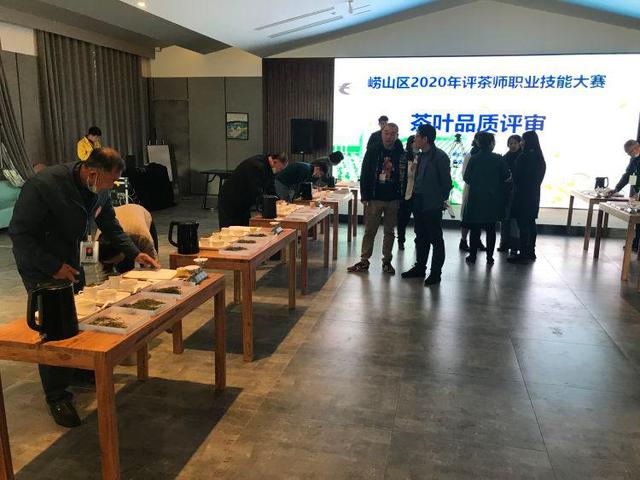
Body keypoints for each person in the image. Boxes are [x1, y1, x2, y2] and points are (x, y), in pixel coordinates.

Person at [9, 147, 160, 428]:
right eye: (109, 181)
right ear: (91, 172)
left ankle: (77, 369)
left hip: (71, 258)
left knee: (78, 313)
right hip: (40, 262)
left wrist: (134, 253)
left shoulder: (98, 188)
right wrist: (53, 266)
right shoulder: (44, 185)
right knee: (53, 324)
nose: (110, 187)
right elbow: (20, 234)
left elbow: (110, 223)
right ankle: (57, 396)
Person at [348, 123, 404, 274]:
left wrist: (402, 196)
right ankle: (364, 261)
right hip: (374, 197)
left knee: (389, 232)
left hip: (393, 198)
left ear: (397, 135)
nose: (389, 136)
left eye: (392, 134)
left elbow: (404, 174)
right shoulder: (373, 150)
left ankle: (387, 261)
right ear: (381, 134)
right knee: (370, 231)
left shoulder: (400, 152)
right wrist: (364, 195)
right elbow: (365, 172)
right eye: (386, 133)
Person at [401, 124, 452, 285]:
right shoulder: (421, 155)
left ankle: (436, 273)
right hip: (418, 201)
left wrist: (440, 200)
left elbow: (446, 183)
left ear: (425, 139)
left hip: (432, 203)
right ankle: (420, 267)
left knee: (435, 239)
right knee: (420, 236)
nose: (415, 139)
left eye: (417, 136)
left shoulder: (440, 157)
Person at [462, 131, 510, 265]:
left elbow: (466, 178)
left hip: (475, 199)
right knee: (491, 230)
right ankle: (489, 257)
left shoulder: (474, 158)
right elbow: (506, 177)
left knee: (475, 229)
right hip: (493, 200)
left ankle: (472, 256)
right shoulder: (498, 159)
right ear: (491, 144)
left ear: (478, 143)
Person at [218, 153, 287, 227]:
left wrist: (278, 200)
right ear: (275, 161)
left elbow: (270, 187)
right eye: (280, 169)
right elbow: (256, 191)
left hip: (244, 201)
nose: (280, 171)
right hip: (231, 199)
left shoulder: (269, 167)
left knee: (244, 227)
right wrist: (268, 206)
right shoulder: (256, 166)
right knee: (230, 228)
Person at [508, 131, 546, 264]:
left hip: (522, 196)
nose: (521, 143)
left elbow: (516, 178)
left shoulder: (523, 158)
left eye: (523, 140)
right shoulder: (540, 158)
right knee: (531, 223)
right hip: (534, 195)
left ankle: (523, 253)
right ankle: (531, 251)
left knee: (523, 225)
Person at [98, 203, 158, 273]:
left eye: (116, 261)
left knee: (147, 265)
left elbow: (153, 263)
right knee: (124, 268)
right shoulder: (98, 242)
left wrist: (150, 269)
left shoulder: (142, 236)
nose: (115, 263)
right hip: (116, 215)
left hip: (138, 212)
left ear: (123, 249)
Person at [459, 133, 485, 252]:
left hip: (482, 191)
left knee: (480, 217)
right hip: (470, 190)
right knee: (467, 217)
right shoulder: (470, 155)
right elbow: (465, 174)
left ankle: (477, 240)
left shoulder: (485, 155)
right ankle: (463, 240)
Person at [497, 134, 522, 254]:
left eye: (515, 143)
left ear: (520, 144)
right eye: (511, 143)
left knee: (514, 220)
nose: (513, 145)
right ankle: (504, 243)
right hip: (506, 193)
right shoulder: (505, 158)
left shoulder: (522, 158)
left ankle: (515, 245)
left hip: (518, 194)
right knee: (505, 219)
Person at [397, 135, 417, 250]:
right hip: (405, 191)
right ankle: (401, 240)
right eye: (414, 141)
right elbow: (401, 176)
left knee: (419, 219)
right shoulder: (404, 156)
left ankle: (418, 239)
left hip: (417, 192)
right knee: (403, 219)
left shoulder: (422, 156)